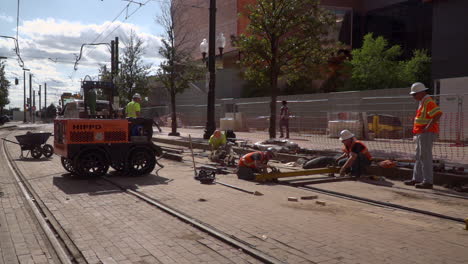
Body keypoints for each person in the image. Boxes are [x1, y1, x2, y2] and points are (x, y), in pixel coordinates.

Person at [404, 82, 443, 189]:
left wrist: (428, 127)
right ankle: (417, 178)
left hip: (426, 133)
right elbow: (425, 117)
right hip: (421, 132)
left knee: (425, 157)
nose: (413, 96)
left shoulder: (428, 101)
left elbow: (438, 113)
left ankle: (428, 181)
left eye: (414, 94)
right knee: (419, 156)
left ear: (421, 92)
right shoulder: (423, 101)